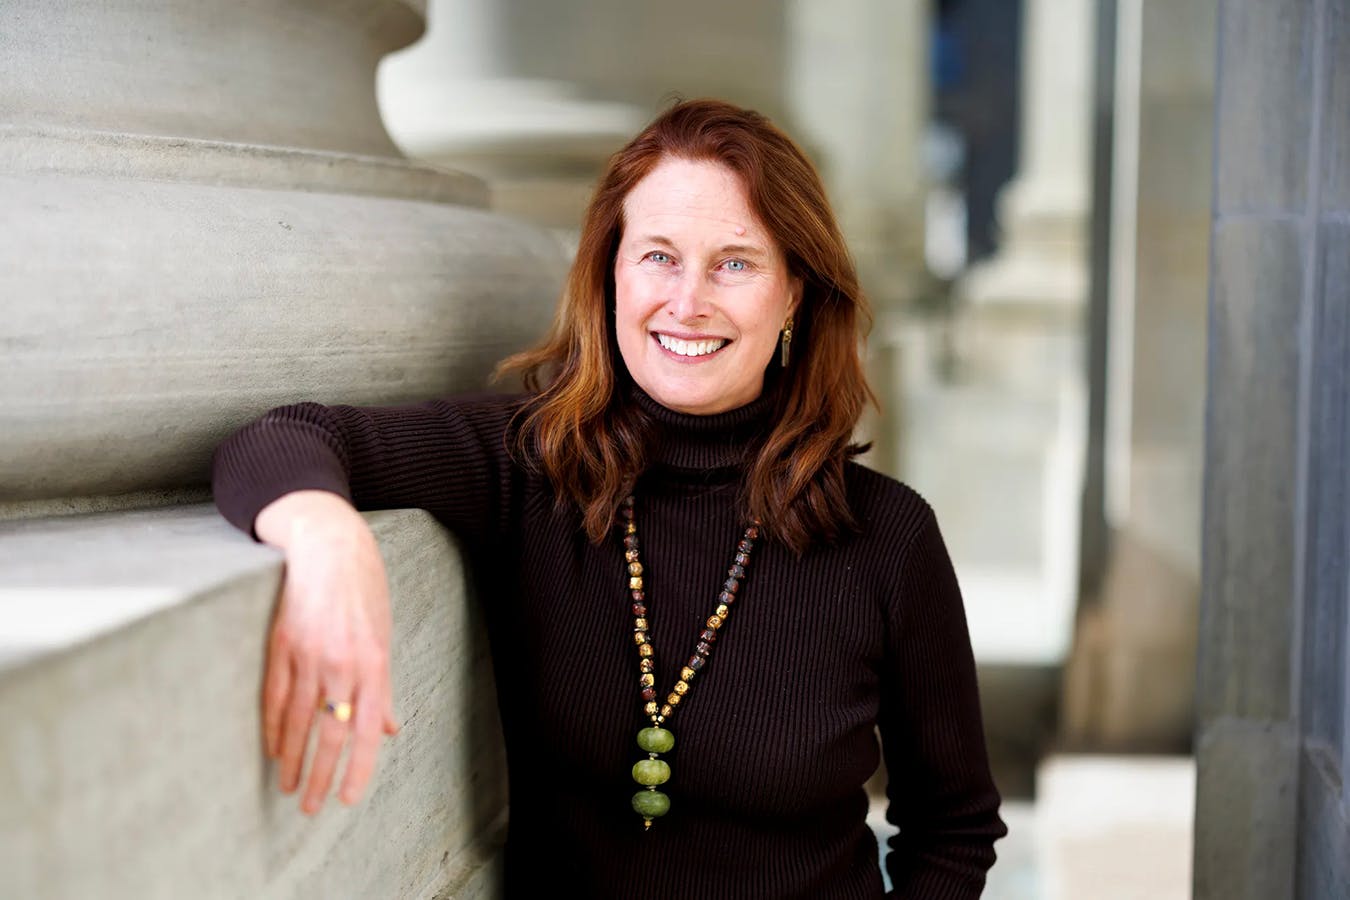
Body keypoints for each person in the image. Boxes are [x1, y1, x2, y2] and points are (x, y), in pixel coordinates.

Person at [213, 98, 1006, 899]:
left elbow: (953, 828)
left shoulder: (886, 536)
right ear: (611, 272)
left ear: (796, 293)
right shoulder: (530, 466)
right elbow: (282, 437)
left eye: (736, 262)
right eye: (658, 256)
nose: (688, 300)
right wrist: (328, 542)